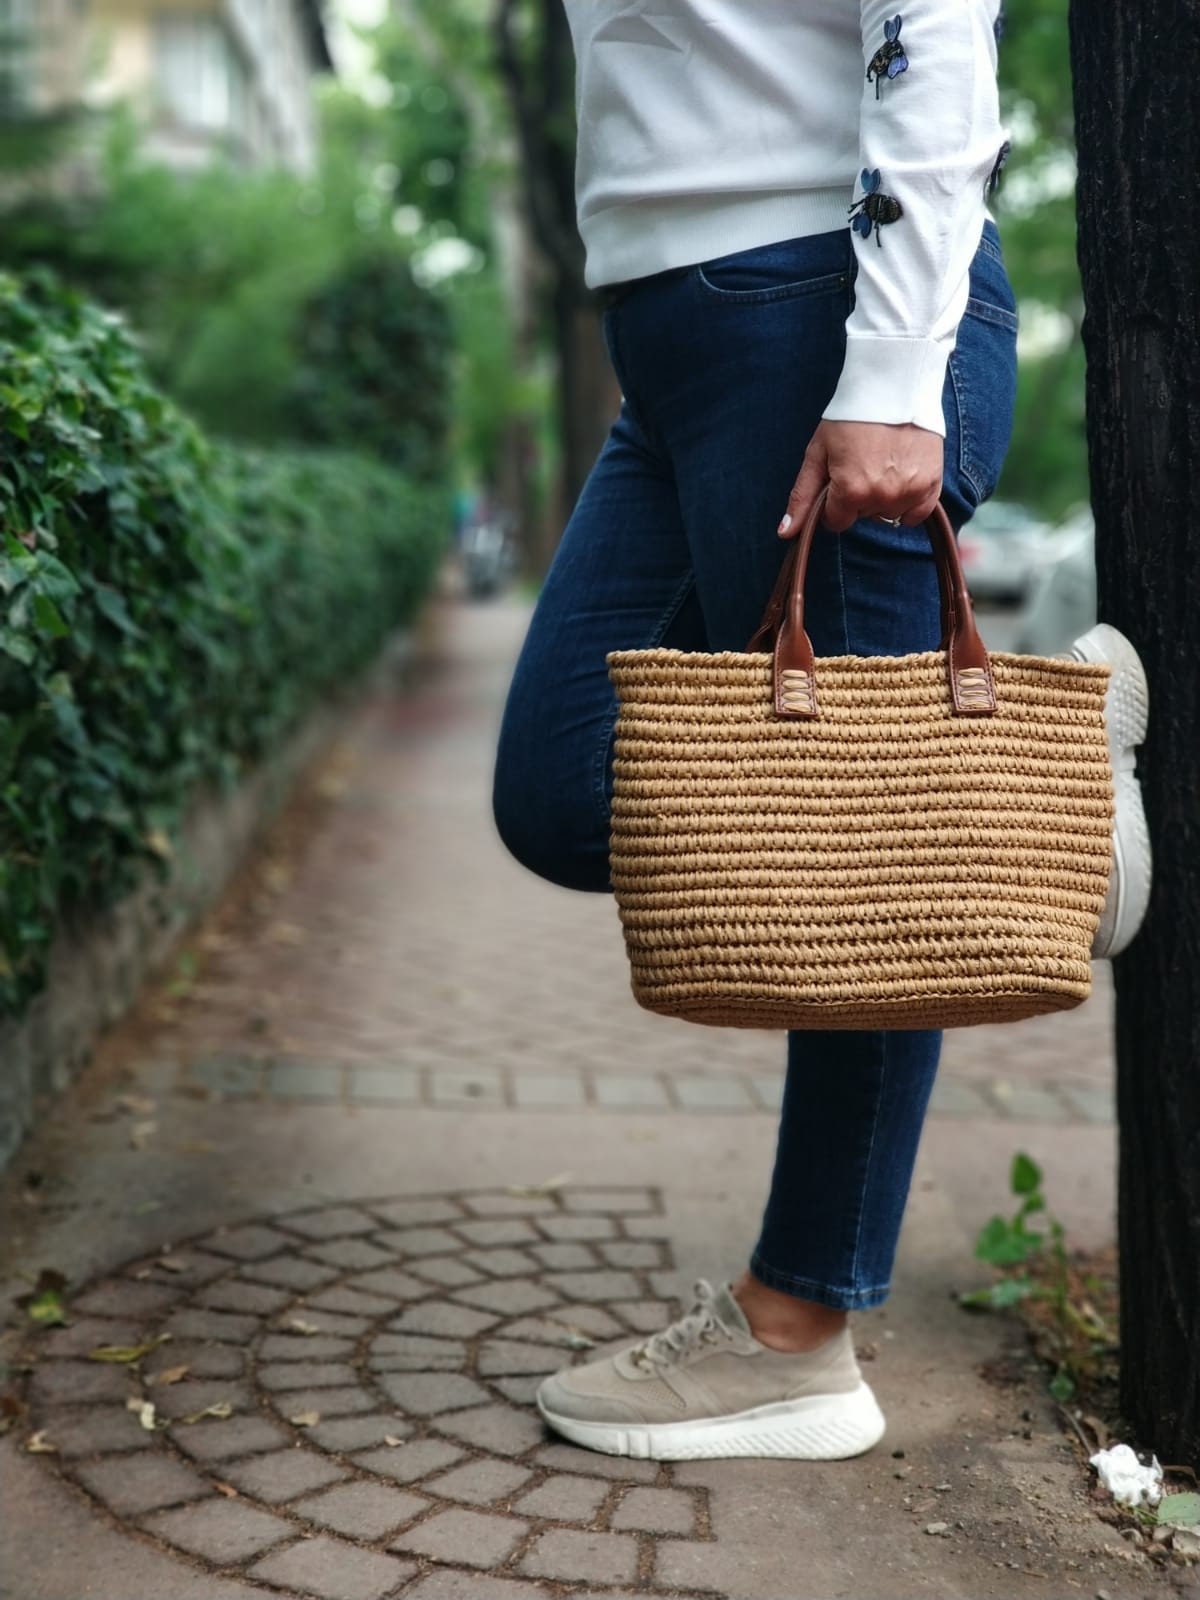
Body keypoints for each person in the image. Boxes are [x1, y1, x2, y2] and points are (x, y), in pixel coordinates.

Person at [492, 0, 1150, 1462]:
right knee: (553, 781)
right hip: (673, 335)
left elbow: (933, 18)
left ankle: (797, 1336)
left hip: (820, 307)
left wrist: (895, 371)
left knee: (862, 859)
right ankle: (1021, 820)